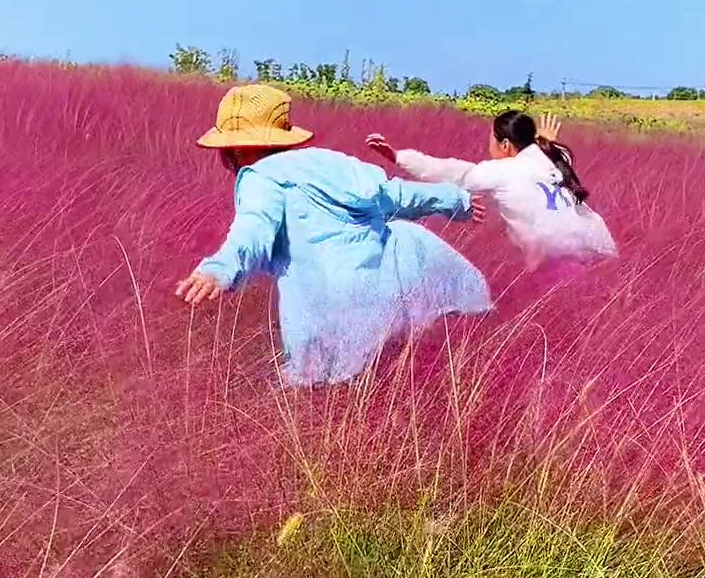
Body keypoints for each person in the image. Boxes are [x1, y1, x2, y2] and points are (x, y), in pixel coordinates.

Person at [175, 85, 492, 385]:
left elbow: (253, 228)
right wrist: (455, 199)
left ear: (237, 149)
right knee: (387, 382)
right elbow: (395, 195)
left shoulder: (258, 177)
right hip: (385, 291)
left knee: (316, 388)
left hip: (323, 310)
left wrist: (218, 269)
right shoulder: (330, 163)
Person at [365, 110, 616, 268]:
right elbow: (559, 155)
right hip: (593, 253)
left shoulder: (504, 170)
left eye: (492, 140)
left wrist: (397, 156)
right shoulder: (554, 166)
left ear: (505, 144)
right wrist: (545, 142)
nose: (490, 146)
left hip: (557, 266)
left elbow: (450, 171)